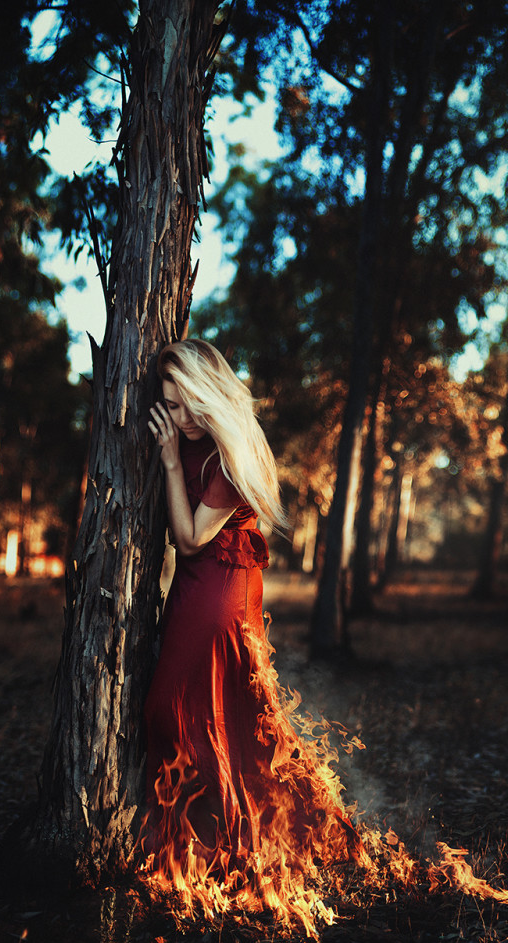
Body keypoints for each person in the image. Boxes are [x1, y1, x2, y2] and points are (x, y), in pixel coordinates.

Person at [141, 339, 360, 906]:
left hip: (217, 589)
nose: (182, 419)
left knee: (177, 709)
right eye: (171, 405)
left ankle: (221, 845)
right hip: (197, 586)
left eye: (190, 403)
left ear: (210, 394)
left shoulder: (227, 454)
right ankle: (203, 850)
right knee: (211, 714)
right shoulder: (194, 439)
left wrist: (167, 458)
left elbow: (189, 539)